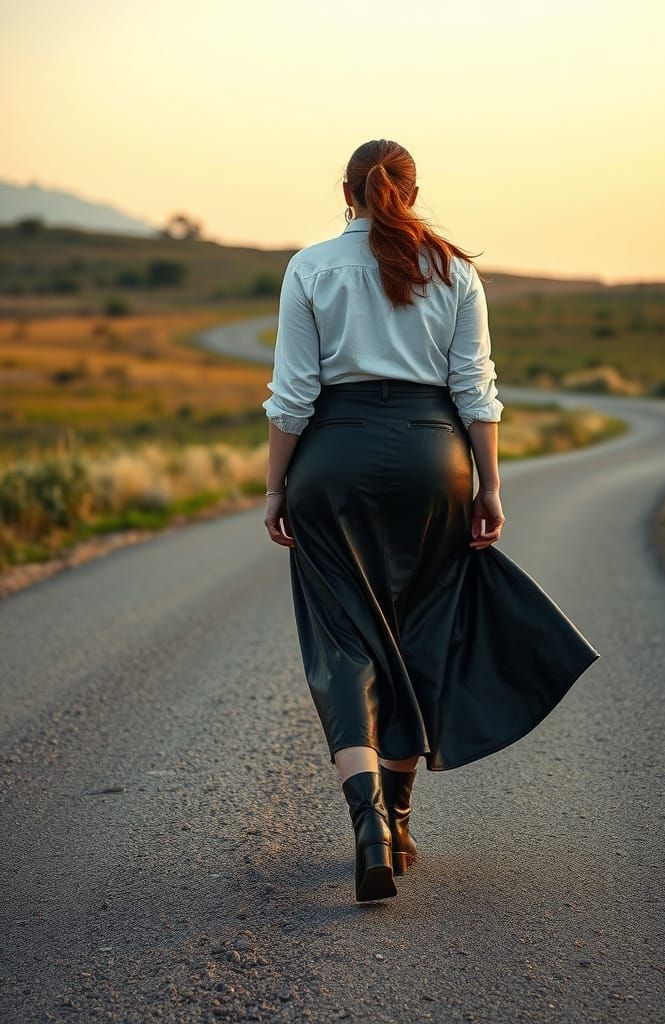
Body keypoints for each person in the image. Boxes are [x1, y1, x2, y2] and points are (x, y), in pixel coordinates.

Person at [262, 139, 600, 903]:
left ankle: (370, 822)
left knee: (344, 642)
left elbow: (292, 395)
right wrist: (489, 486)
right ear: (412, 193)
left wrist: (276, 488)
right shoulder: (456, 270)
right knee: (418, 633)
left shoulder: (310, 267)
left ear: (344, 191)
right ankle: (404, 814)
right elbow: (474, 389)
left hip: (332, 460)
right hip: (433, 458)